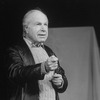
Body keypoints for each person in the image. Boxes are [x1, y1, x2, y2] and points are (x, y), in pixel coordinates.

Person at [8, 8, 68, 100]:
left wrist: (60, 82)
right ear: (26, 29)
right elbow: (15, 74)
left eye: (45, 24)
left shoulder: (49, 51)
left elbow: (61, 74)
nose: (43, 29)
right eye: (38, 24)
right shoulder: (14, 50)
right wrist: (43, 67)